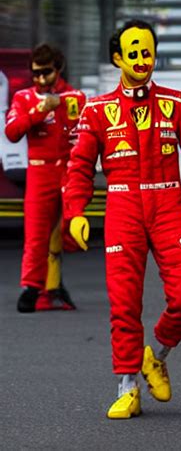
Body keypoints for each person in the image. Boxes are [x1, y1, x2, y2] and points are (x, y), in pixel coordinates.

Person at [63, 19, 181, 418]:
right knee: (124, 303)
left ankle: (158, 353)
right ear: (117, 58)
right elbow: (80, 165)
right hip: (123, 207)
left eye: (146, 52)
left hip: (169, 204)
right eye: (133, 53)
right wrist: (76, 212)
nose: (141, 59)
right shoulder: (97, 110)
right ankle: (128, 385)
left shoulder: (180, 104)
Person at [5, 43, 85, 312]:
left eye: (46, 73)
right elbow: (12, 132)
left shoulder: (76, 98)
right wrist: (40, 110)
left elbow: (86, 136)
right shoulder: (24, 98)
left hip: (70, 171)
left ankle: (54, 283)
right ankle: (31, 288)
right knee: (36, 234)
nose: (40, 79)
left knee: (70, 229)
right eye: (35, 74)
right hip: (40, 171)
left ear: (58, 69)